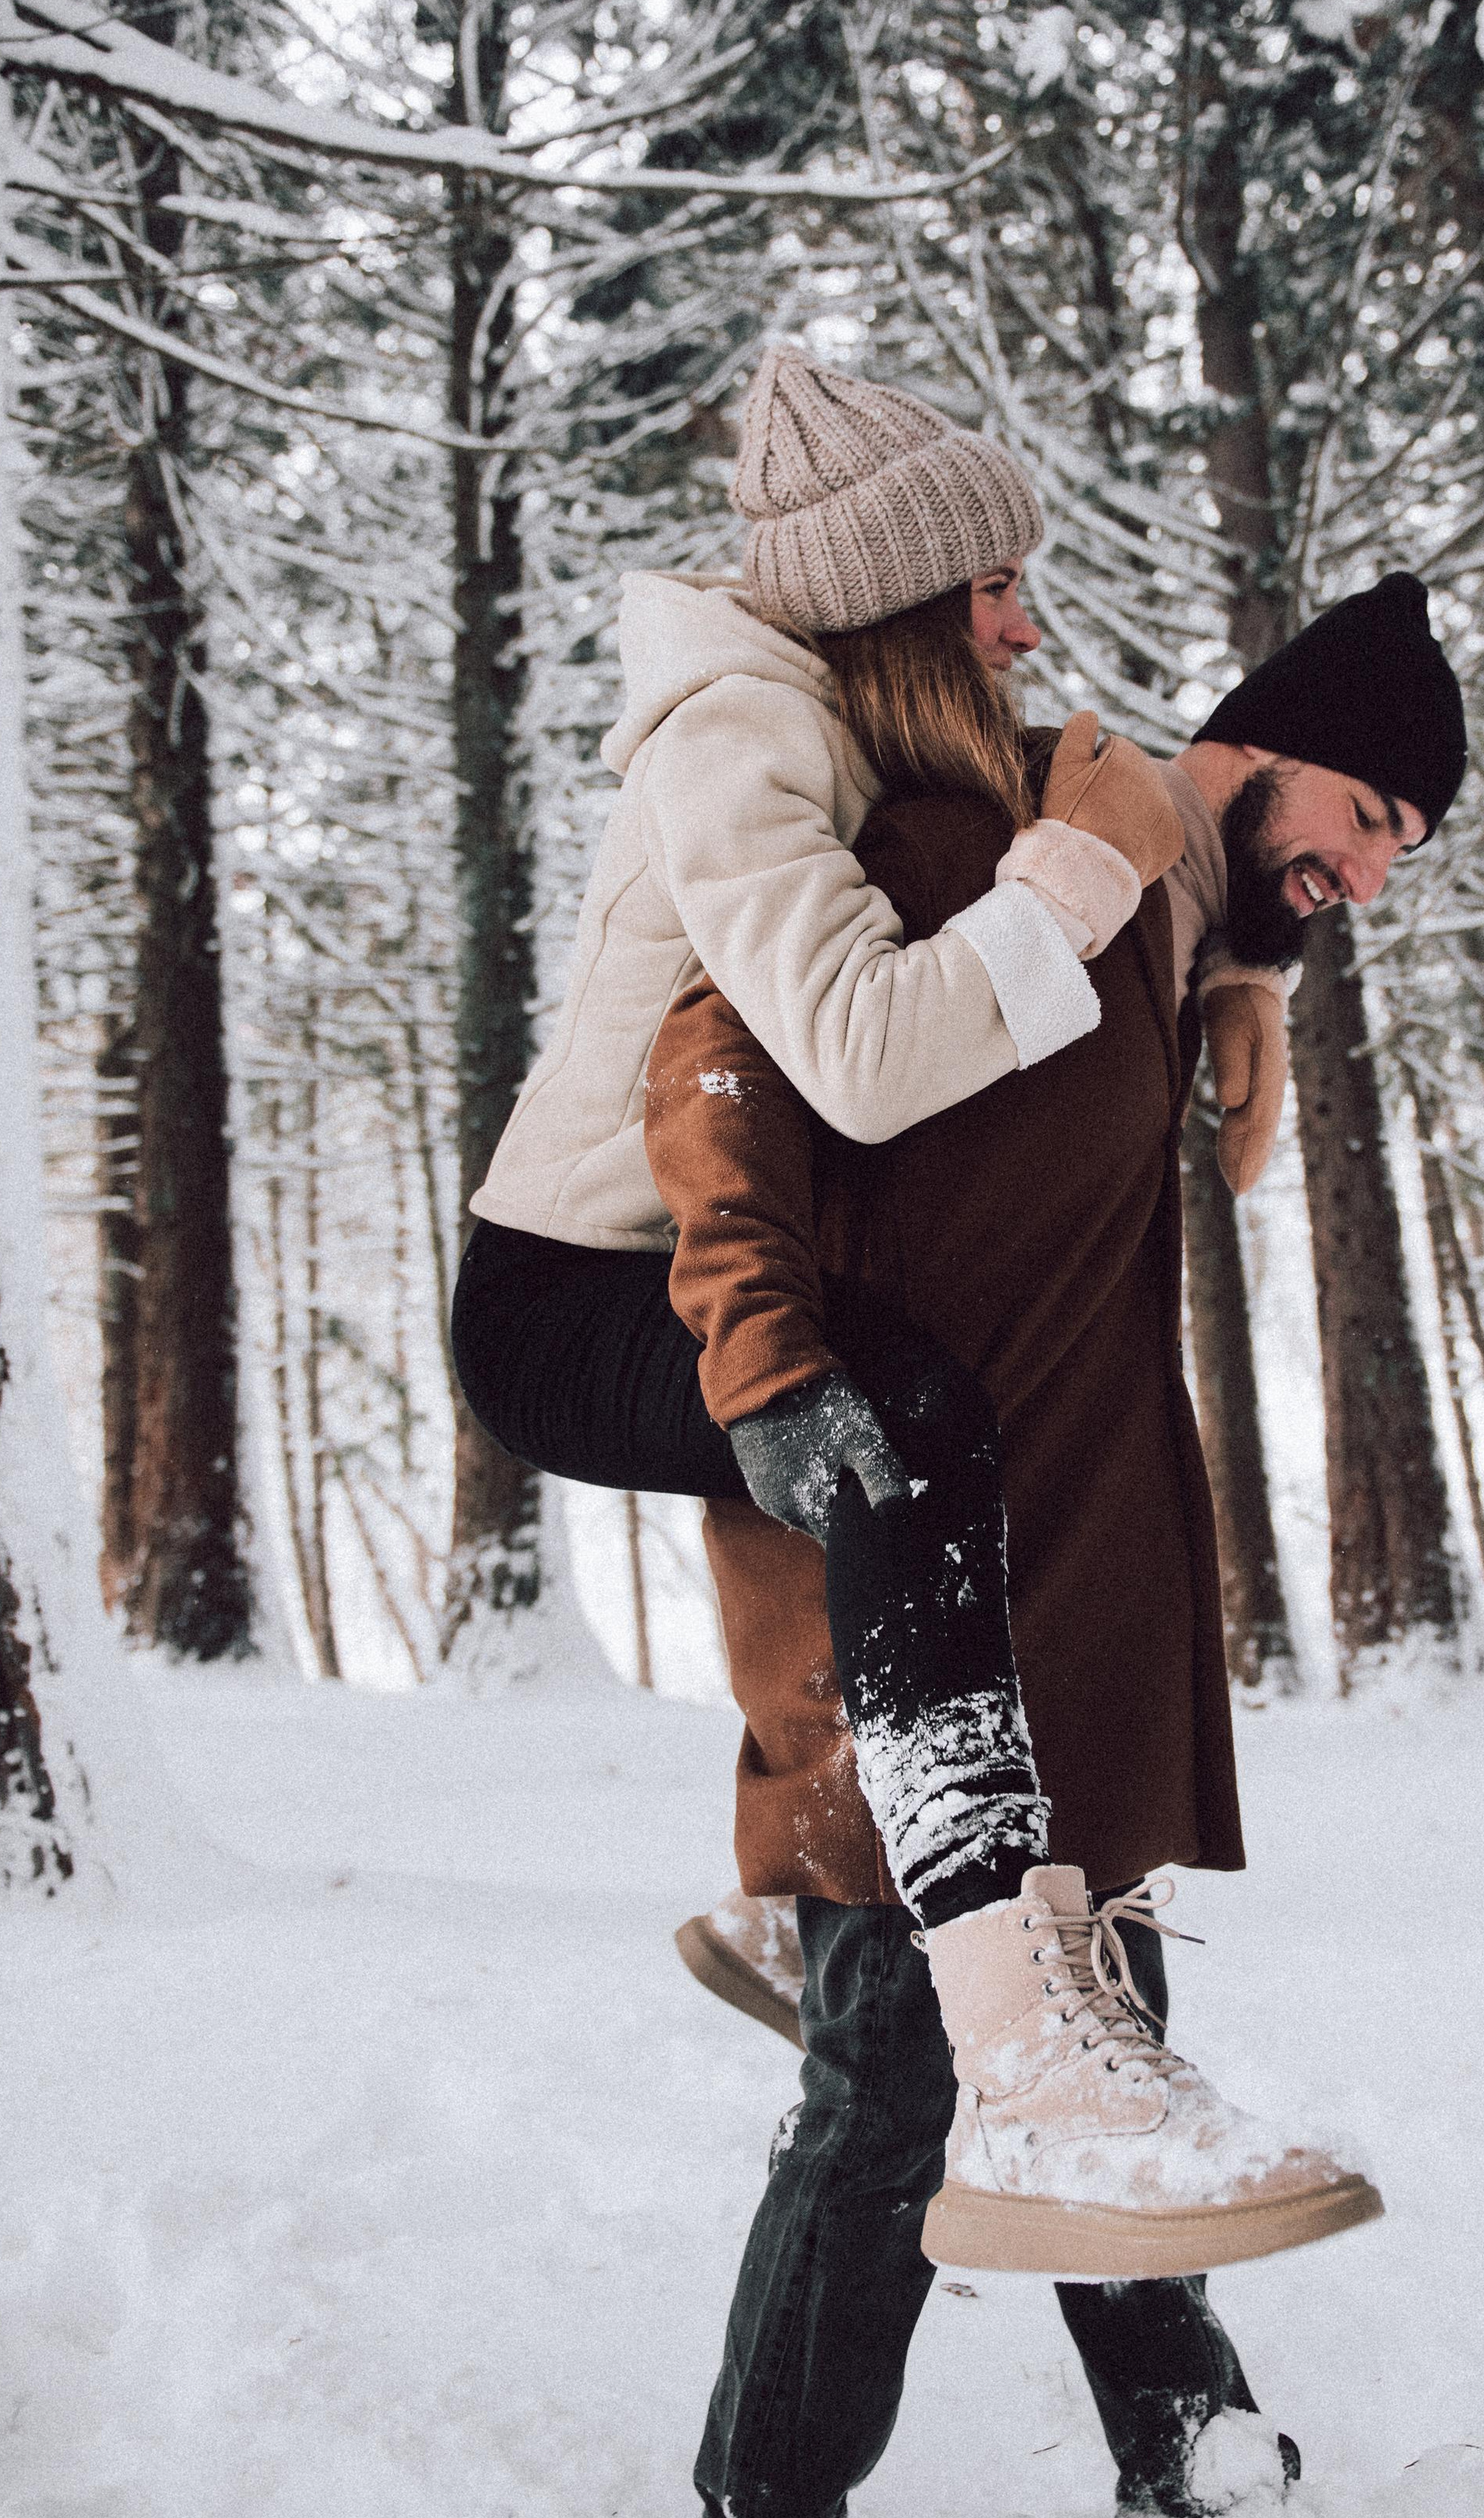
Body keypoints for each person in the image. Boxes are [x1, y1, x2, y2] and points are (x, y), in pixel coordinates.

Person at [641, 580, 1466, 2518]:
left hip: (1067, 1587)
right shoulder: (1014, 842)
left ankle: (1182, 2437)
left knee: (1115, 2041)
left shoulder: (1186, 941)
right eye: (1365, 809)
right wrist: (759, 1353)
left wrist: (1238, 959)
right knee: (895, 2078)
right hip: (884, 1566)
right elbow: (717, 1045)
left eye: (1405, 848)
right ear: (1260, 738)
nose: (1373, 868)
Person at [453, 348, 1326, 2185]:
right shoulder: (735, 737)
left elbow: (1099, 804)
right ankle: (1006, 1998)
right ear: (900, 595)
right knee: (905, 1412)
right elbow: (858, 1042)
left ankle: (813, 1908)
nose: (1023, 629)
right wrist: (1078, 892)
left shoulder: (853, 724)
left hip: (703, 1269)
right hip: (573, 1295)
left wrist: (1244, 965)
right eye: (994, 588)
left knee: (910, 1397)